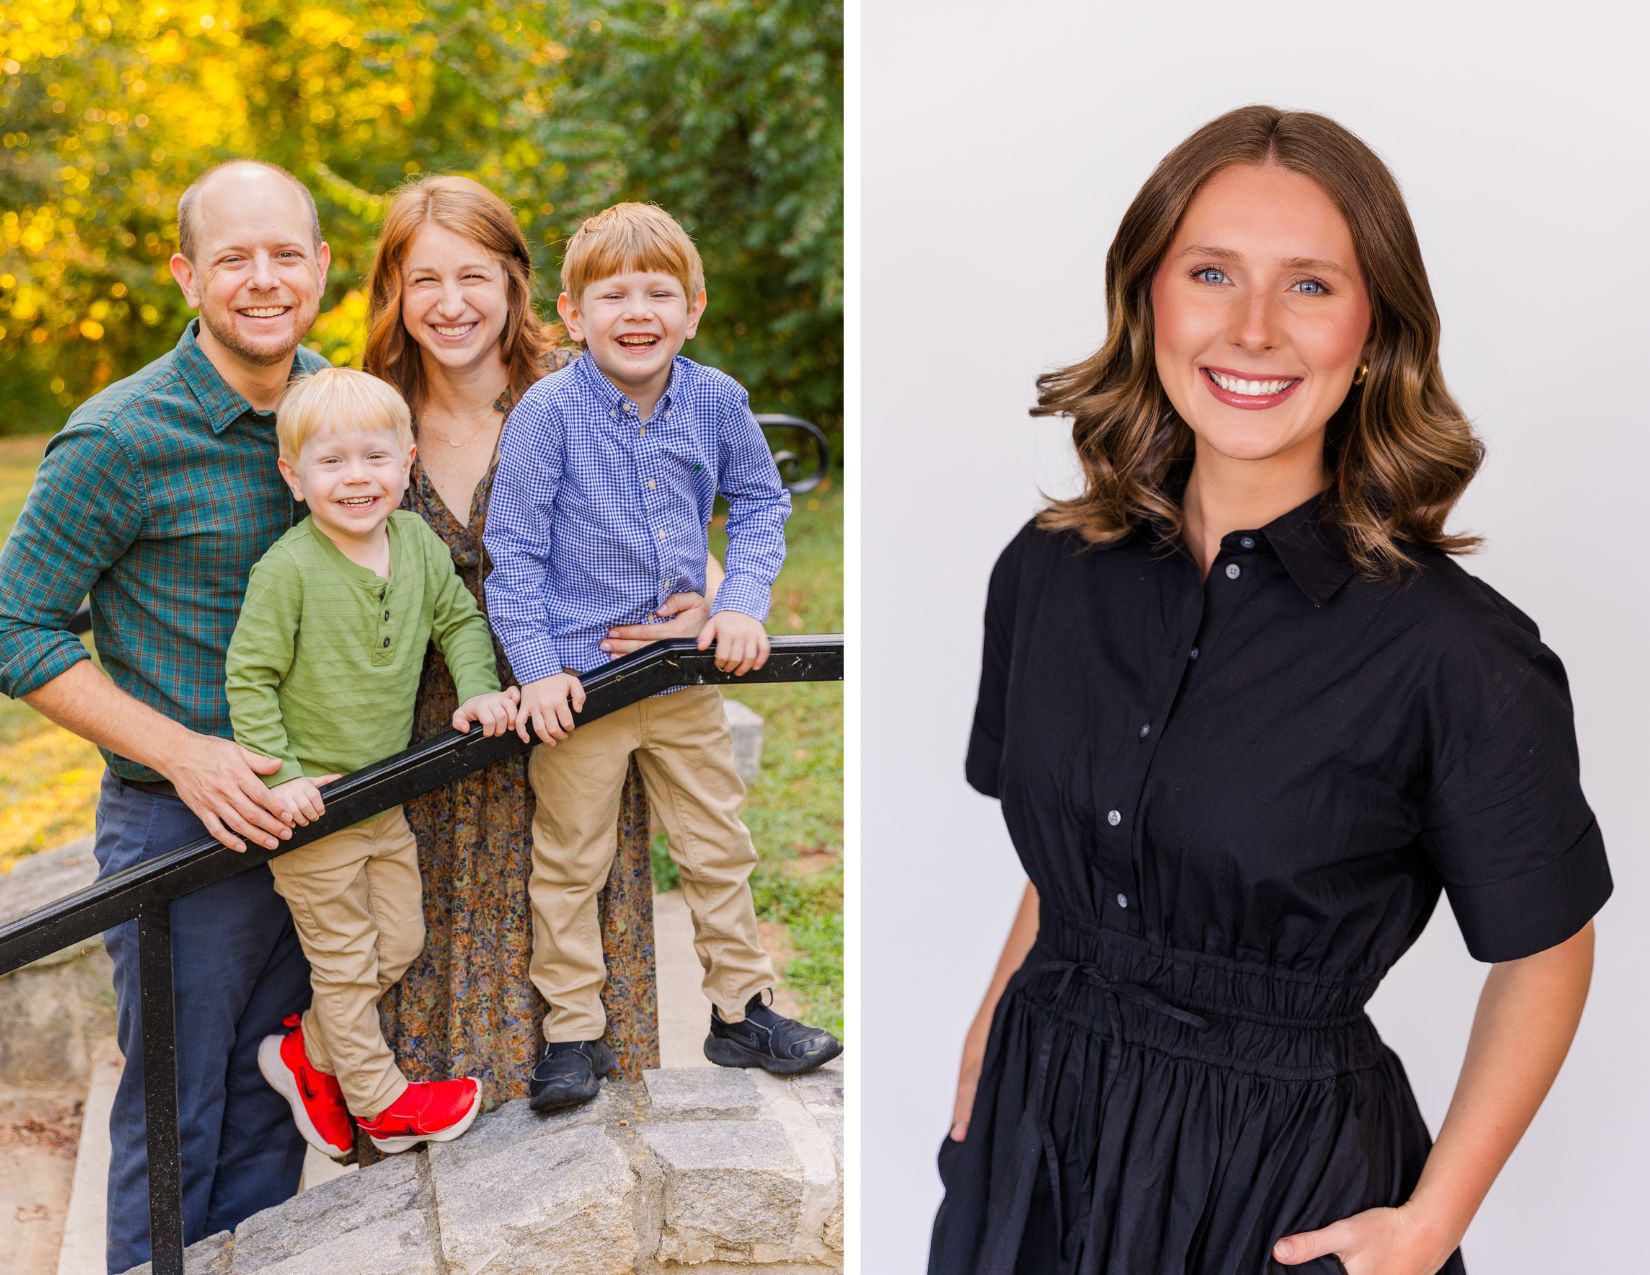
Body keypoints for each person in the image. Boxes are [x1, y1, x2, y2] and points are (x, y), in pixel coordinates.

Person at [929, 106, 1609, 1275]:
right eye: (1211, 273)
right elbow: (1083, 856)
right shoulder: (1047, 571)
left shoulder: (1456, 649)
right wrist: (989, 1032)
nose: (1252, 329)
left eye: (1309, 286)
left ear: (1375, 328)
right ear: (1147, 299)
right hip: (1036, 1131)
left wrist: (1430, 1223)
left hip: (1275, 1182)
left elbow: (1548, 948)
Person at [0, 161, 334, 1273]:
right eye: (234, 258)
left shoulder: (344, 409)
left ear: (321, 266)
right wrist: (185, 755)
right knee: (176, 1124)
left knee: (274, 1108)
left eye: (284, 253)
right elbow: (16, 626)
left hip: (325, 821)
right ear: (188, 276)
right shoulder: (119, 438)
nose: (263, 279)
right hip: (178, 831)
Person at [360, 176, 717, 1115]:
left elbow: (681, 523)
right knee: (424, 1000)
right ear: (393, 292)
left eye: (473, 275)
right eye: (424, 279)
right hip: (428, 752)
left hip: (577, 719)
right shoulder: (364, 415)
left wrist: (708, 603)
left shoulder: (591, 387)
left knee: (578, 1019)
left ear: (517, 284)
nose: (451, 303)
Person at [484, 201, 843, 1111]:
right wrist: (537, 669)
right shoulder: (547, 413)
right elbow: (512, 550)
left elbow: (760, 503)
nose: (637, 311)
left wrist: (739, 602)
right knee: (571, 860)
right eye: (613, 295)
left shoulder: (717, 400)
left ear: (693, 308)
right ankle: (573, 1033)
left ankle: (741, 1009)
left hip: (683, 672)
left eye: (658, 292)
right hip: (583, 683)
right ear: (574, 315)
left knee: (718, 842)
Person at [225, 367, 520, 1157]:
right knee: (347, 963)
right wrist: (280, 775)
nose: (356, 477)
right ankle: (382, 1103)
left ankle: (307, 1052)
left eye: (374, 457)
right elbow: (249, 678)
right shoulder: (288, 569)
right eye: (331, 461)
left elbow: (459, 622)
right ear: (294, 476)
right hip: (314, 806)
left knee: (401, 940)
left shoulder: (418, 543)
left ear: (407, 461)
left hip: (383, 796)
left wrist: (478, 688)